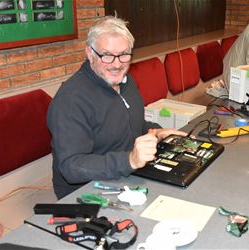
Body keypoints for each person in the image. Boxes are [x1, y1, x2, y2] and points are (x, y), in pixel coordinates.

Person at [47, 16, 186, 199]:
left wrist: (156, 133)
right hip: (87, 191)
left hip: (127, 175)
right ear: (90, 54)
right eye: (107, 55)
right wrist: (129, 160)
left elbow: (131, 123)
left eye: (124, 54)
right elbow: (71, 167)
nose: (117, 64)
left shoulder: (126, 82)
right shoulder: (71, 100)